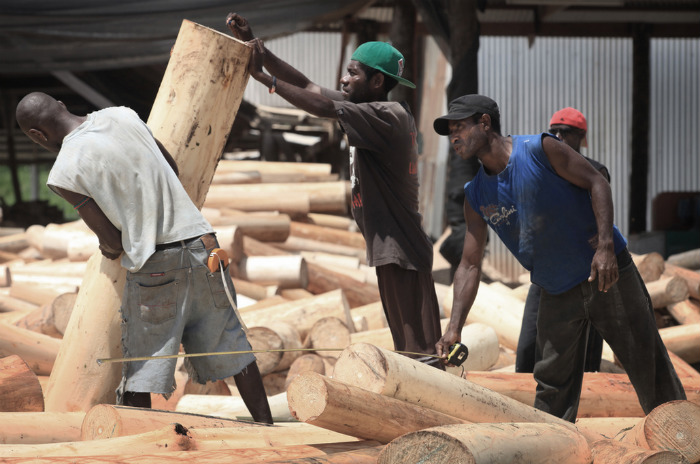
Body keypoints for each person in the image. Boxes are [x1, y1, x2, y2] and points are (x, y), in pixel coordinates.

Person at [15, 92, 273, 423]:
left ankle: (141, 448)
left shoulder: (63, 171)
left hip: (156, 267)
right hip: (204, 247)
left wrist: (107, 254)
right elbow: (172, 168)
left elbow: (112, 240)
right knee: (235, 349)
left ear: (37, 135)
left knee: (142, 367)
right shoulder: (123, 114)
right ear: (62, 106)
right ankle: (268, 426)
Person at [433, 94, 686, 421]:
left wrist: (606, 246)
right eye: (450, 130)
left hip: (606, 274)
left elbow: (597, 181)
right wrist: (454, 327)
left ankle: (683, 438)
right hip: (554, 289)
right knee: (552, 384)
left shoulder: (539, 149)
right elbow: (469, 264)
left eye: (460, 127)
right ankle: (555, 449)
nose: (454, 137)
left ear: (485, 123)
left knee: (647, 365)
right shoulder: (476, 195)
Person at [226, 13, 443, 368]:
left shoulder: (386, 115)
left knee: (420, 353)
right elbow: (310, 87)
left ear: (376, 81)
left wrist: (263, 78)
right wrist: (260, 51)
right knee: (410, 348)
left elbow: (321, 105)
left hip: (401, 249)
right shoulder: (368, 109)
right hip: (391, 248)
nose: (343, 79)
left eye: (353, 73)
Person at [516, 107, 609, 374]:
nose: (558, 136)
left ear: (583, 137)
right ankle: (520, 397)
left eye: (566, 133)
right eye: (554, 131)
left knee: (586, 347)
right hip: (547, 269)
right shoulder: (541, 171)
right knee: (528, 345)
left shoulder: (595, 172)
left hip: (584, 271)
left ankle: (587, 404)